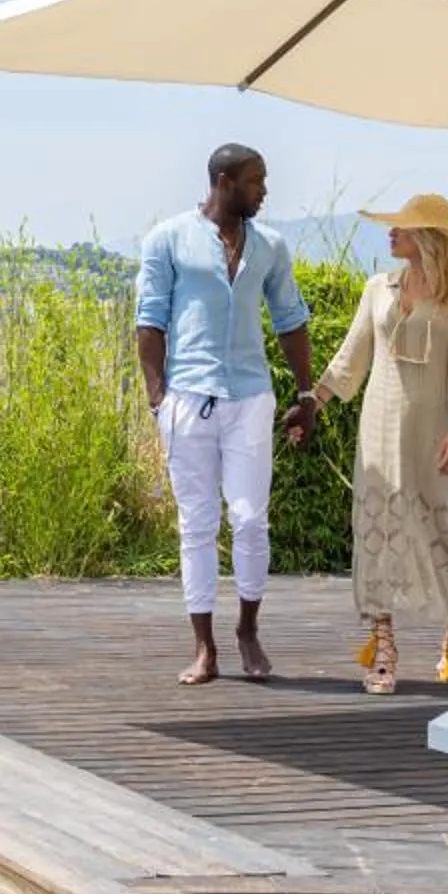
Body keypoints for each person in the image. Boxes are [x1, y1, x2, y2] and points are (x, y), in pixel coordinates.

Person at [134, 144, 318, 686]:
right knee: (197, 524)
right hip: (187, 399)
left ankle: (247, 630)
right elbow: (150, 321)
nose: (264, 189)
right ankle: (203, 647)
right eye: (256, 180)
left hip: (251, 397)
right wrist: (156, 400)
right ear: (224, 181)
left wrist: (306, 394)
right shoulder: (167, 240)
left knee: (250, 518)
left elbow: (291, 320)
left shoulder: (270, 247)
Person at [317, 193, 448, 694]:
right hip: (380, 425)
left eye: (402, 227)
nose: (390, 234)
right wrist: (313, 402)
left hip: (435, 430)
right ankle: (383, 645)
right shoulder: (378, 288)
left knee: (446, 529)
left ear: (428, 239)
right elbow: (352, 357)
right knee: (379, 529)